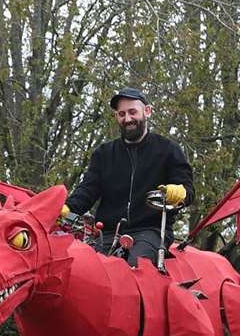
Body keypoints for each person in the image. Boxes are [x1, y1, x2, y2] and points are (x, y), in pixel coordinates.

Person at [64, 88, 194, 267]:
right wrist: (66, 208)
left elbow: (188, 190)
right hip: (107, 234)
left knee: (134, 270)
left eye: (133, 112)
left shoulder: (168, 150)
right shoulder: (103, 154)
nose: (127, 119)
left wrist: (179, 192)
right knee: (82, 270)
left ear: (146, 111)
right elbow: (87, 190)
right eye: (121, 114)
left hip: (150, 232)